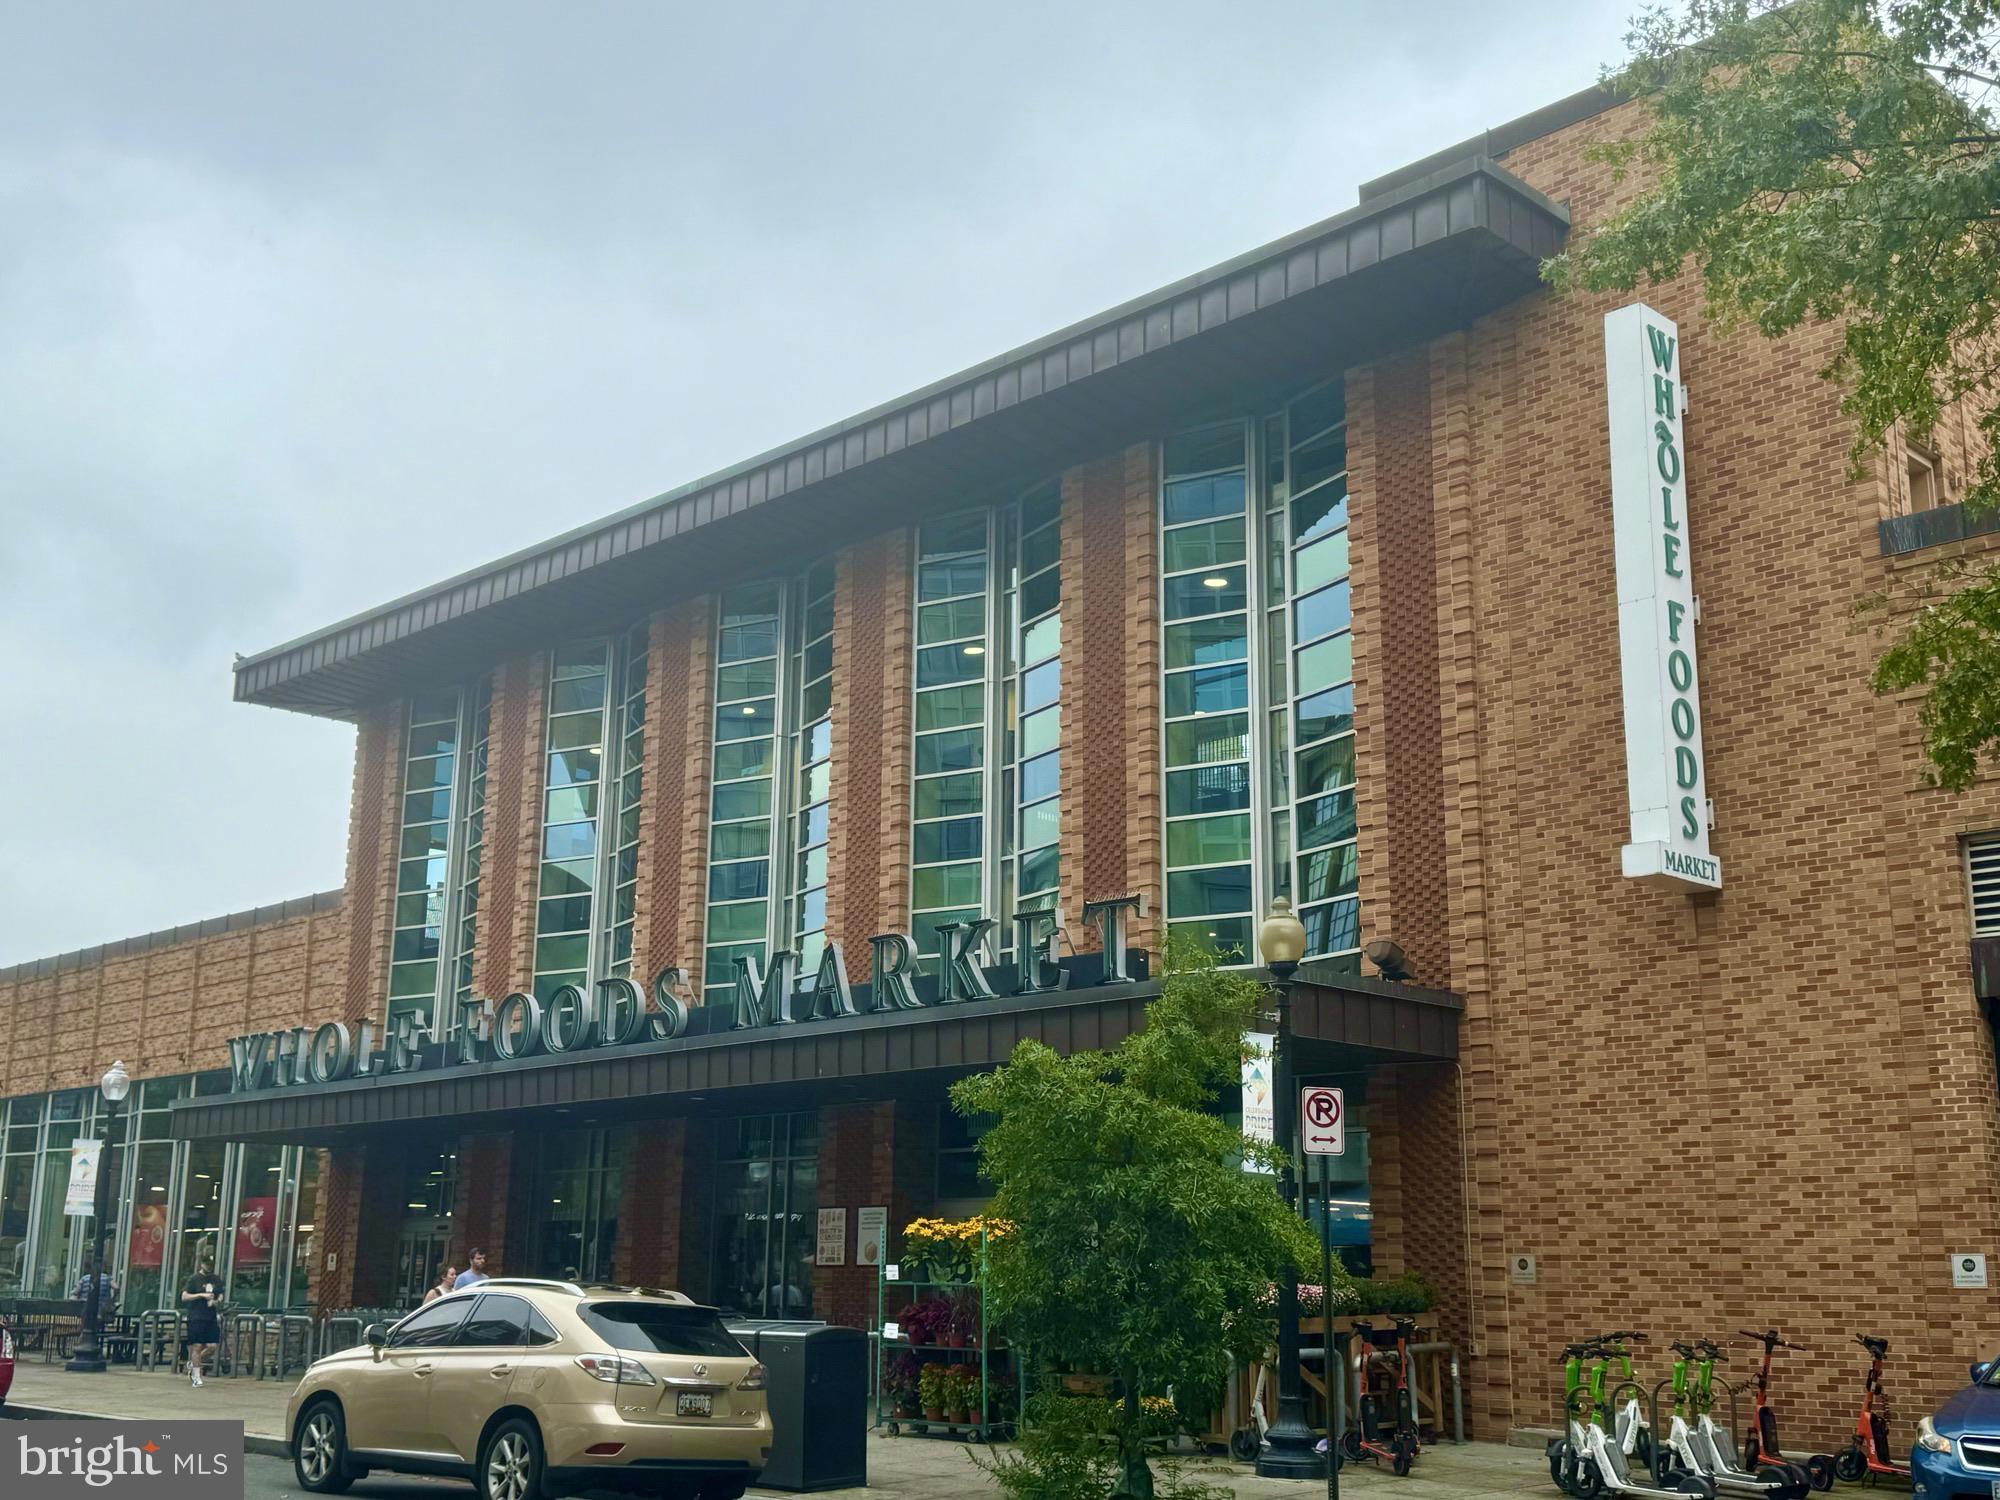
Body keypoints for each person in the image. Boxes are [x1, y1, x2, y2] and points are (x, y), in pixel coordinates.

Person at [181, 1254, 222, 1387]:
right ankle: (196, 1376)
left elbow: (220, 1293)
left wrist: (216, 1301)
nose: (208, 1267)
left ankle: (193, 1364)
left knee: (212, 1346)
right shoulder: (194, 1279)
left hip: (210, 1316)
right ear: (201, 1264)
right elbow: (184, 1296)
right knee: (197, 1345)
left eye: (210, 1264)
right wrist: (200, 1295)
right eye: (206, 1264)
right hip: (196, 1316)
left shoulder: (216, 1279)